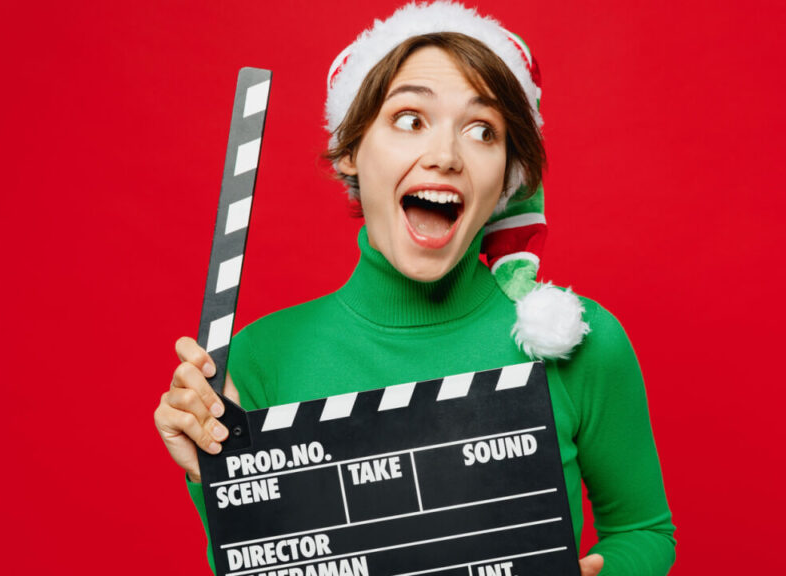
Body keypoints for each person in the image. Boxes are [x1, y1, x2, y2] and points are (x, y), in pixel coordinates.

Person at [154, 3, 675, 575]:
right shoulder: (258, 359)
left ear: (508, 175)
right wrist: (217, 476)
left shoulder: (580, 341)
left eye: (483, 131)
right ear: (351, 147)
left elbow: (643, 531)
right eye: (409, 119)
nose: (446, 156)